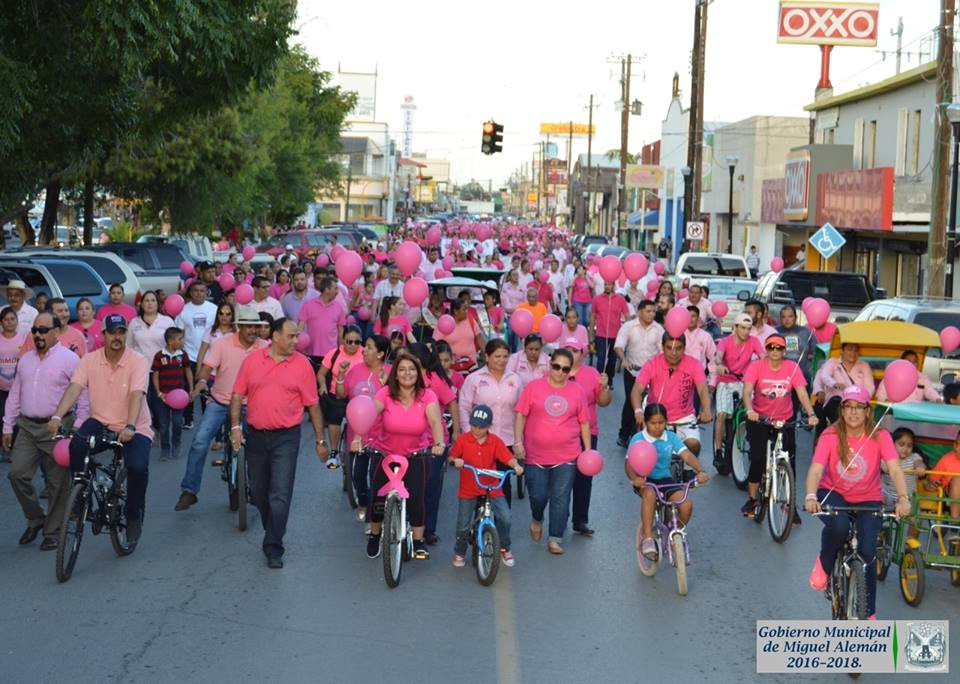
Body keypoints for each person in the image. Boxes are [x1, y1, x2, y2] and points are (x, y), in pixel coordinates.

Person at [804, 385, 911, 620]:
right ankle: (824, 562)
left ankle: (868, 612)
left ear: (867, 411)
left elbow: (894, 468)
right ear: (842, 410)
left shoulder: (880, 436)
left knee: (868, 550)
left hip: (869, 499)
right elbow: (815, 469)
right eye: (848, 407)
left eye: (859, 407)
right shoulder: (830, 435)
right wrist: (811, 496)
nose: (853, 412)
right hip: (833, 493)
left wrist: (903, 498)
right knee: (839, 526)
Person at [229, 318, 328, 568]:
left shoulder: (303, 365)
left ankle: (273, 546)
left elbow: (313, 404)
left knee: (280, 493)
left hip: (287, 437)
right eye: (291, 336)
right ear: (275, 336)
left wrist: (319, 440)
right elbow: (238, 394)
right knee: (260, 491)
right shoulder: (252, 361)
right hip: (256, 435)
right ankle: (272, 526)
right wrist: (235, 428)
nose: (296, 341)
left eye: (297, 336)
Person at [48, 313, 154, 544]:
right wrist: (57, 416)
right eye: (112, 332)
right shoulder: (89, 360)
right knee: (77, 444)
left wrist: (130, 425)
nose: (117, 337)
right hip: (100, 421)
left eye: (121, 332)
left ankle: (133, 514)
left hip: (133, 425)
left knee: (137, 467)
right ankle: (78, 497)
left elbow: (137, 395)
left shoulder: (137, 360)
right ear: (103, 335)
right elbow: (74, 389)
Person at [351, 351, 445, 560]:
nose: (407, 373)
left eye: (411, 369)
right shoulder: (385, 393)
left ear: (418, 374)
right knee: (377, 497)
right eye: (402, 369)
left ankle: (419, 541)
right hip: (385, 454)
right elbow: (368, 414)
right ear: (395, 374)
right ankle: (375, 535)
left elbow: (435, 421)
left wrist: (439, 444)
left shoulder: (427, 395)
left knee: (417, 499)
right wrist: (357, 438)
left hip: (416, 455)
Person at [4, 313, 86, 549]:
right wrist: (8, 426)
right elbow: (15, 394)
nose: (38, 335)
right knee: (17, 475)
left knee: (56, 482)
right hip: (28, 427)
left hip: (57, 427)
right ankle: (36, 519)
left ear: (55, 332)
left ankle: (53, 530)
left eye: (43, 330)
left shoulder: (69, 359)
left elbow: (82, 393)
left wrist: (80, 422)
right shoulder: (26, 360)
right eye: (35, 331)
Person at [175, 307, 269, 510]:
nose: (253, 330)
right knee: (200, 441)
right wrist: (201, 382)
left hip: (250, 405)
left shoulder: (264, 347)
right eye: (249, 326)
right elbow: (207, 369)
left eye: (256, 326)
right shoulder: (222, 344)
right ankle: (190, 491)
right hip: (220, 402)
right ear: (239, 327)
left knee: (258, 445)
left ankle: (254, 488)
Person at [514, 348, 591, 555]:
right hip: (535, 455)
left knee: (561, 497)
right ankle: (537, 518)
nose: (560, 372)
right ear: (550, 365)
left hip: (567, 455)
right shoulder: (533, 387)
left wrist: (588, 451)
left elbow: (584, 422)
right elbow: (521, 414)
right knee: (538, 496)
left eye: (565, 369)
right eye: (557, 367)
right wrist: (517, 442)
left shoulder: (577, 391)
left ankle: (555, 538)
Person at [742, 334, 818, 520]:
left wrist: (811, 414)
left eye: (779, 348)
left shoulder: (792, 368)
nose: (775, 351)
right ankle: (752, 499)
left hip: (785, 419)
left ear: (784, 351)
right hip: (760, 418)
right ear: (766, 350)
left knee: (789, 461)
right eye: (771, 347)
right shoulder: (756, 367)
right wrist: (750, 410)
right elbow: (747, 392)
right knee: (758, 458)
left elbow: (801, 394)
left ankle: (790, 507)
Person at [627, 403, 710, 561]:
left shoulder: (671, 437)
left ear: (666, 421)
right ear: (645, 422)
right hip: (645, 479)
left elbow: (687, 455)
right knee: (650, 495)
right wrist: (634, 478)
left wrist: (701, 470)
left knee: (686, 504)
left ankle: (674, 532)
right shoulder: (638, 439)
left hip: (665, 479)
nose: (657, 427)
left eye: (661, 422)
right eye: (653, 423)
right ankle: (648, 539)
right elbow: (629, 463)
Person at [448, 404, 523, 568]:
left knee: (505, 517)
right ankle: (460, 551)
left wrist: (515, 466)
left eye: (481, 427)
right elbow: (451, 457)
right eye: (474, 425)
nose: (476, 430)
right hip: (469, 488)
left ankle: (504, 547)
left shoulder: (495, 441)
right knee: (463, 525)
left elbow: (507, 457)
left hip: (492, 486)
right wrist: (456, 461)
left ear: (489, 426)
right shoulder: (463, 440)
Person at [458, 338, 522, 504]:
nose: (501, 360)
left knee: (502, 487)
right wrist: (468, 433)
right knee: (478, 486)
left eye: (505, 356)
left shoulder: (515, 379)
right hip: (479, 441)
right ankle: (477, 525)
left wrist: (519, 441)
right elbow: (464, 408)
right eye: (497, 356)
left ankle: (500, 527)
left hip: (505, 441)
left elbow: (521, 412)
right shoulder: (474, 379)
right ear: (486, 357)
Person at [407, 342, 460, 544]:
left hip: (435, 443)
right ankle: (409, 525)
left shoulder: (434, 379)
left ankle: (428, 530)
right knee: (411, 487)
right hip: (409, 442)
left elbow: (452, 402)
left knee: (431, 487)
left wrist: (456, 430)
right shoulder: (403, 377)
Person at [336, 334, 391, 520]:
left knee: (379, 476)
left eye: (368, 347)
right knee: (357, 474)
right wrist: (342, 376)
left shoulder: (391, 372)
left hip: (382, 435)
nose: (364, 350)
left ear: (380, 353)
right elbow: (341, 395)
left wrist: (387, 384)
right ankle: (363, 500)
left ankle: (376, 512)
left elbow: (398, 400)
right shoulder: (356, 370)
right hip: (357, 433)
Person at [631, 332, 712, 454]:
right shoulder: (652, 364)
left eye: (678, 348)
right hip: (655, 416)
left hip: (684, 418)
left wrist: (706, 410)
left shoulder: (694, 364)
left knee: (694, 445)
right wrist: (638, 411)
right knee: (649, 454)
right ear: (662, 347)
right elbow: (637, 390)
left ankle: (687, 471)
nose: (674, 353)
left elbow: (702, 389)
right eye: (669, 348)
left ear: (684, 348)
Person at [564, 337, 612, 536]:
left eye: (574, 350)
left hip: (588, 432)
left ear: (582, 353)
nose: (570, 354)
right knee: (562, 479)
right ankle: (559, 520)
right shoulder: (557, 373)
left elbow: (603, 402)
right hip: (562, 433)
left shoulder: (592, 374)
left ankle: (580, 520)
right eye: (566, 349)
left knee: (584, 477)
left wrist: (605, 387)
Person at [712, 313, 766, 470]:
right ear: (735, 328)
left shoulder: (754, 341)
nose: (746, 332)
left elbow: (763, 357)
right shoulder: (725, 342)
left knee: (754, 410)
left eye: (749, 329)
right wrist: (720, 366)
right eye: (742, 328)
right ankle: (718, 451)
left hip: (744, 381)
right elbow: (718, 357)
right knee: (722, 413)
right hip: (726, 381)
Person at [614, 299, 664, 447]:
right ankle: (624, 434)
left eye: (654, 311)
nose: (651, 314)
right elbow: (619, 346)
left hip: (652, 372)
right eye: (648, 311)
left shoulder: (659, 329)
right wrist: (624, 359)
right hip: (632, 370)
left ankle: (651, 434)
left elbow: (663, 351)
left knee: (653, 402)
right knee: (631, 402)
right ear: (639, 312)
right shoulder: (629, 327)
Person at [316, 325, 364, 464]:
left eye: (357, 342)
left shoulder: (364, 354)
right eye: (349, 342)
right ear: (343, 340)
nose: (353, 345)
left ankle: (359, 448)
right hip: (335, 394)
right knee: (334, 419)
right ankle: (334, 451)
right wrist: (323, 385)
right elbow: (321, 374)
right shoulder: (334, 353)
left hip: (358, 396)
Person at [175, 282, 217, 430]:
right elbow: (179, 334)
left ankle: (208, 420)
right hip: (189, 355)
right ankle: (188, 419)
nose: (199, 293)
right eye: (196, 291)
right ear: (190, 293)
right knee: (188, 389)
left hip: (210, 356)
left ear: (207, 292)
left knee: (208, 390)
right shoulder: (183, 310)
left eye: (202, 290)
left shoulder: (214, 309)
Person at [812, 342, 875, 434]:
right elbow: (824, 375)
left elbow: (870, 387)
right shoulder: (833, 362)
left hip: (857, 402)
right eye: (850, 350)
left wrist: (863, 399)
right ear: (842, 351)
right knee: (836, 402)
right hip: (835, 402)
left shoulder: (864, 365)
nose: (853, 353)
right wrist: (835, 384)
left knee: (859, 409)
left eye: (855, 351)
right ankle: (842, 433)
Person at [150, 327, 193, 462]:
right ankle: (165, 449)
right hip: (163, 397)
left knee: (177, 422)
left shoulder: (183, 355)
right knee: (163, 424)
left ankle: (176, 444)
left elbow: (188, 371)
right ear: (170, 341)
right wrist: (158, 392)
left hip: (179, 397)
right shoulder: (159, 355)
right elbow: (155, 375)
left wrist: (191, 389)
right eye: (179, 339)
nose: (182, 341)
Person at [299, 276, 348, 367]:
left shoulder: (339, 307)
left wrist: (341, 351)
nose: (338, 291)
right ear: (327, 289)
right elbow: (300, 327)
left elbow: (341, 331)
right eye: (335, 288)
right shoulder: (308, 305)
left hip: (331, 354)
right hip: (310, 352)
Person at [0, 306, 28, 460]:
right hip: (1, 388)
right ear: (1, 322)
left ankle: (16, 448)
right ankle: (4, 448)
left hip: (18, 388)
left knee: (17, 418)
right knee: (2, 416)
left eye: (12, 319)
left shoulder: (23, 339)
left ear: (17, 321)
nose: (9, 322)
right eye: (6, 319)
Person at [590, 281, 629, 380]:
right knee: (601, 359)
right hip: (600, 334)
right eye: (605, 284)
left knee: (612, 360)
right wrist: (591, 334)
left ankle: (609, 380)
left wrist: (627, 334)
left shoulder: (620, 300)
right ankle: (598, 380)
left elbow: (627, 316)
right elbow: (592, 317)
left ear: (613, 286)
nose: (607, 286)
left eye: (609, 284)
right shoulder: (597, 299)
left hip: (616, 335)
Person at [881, 427, 926, 510]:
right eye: (901, 444)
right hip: (888, 496)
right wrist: (886, 465)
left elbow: (919, 463)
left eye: (909, 446)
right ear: (892, 444)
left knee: (913, 512)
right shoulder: (887, 456)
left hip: (908, 497)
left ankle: (913, 521)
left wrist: (920, 467)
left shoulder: (914, 457)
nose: (905, 449)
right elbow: (885, 467)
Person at [432, 298, 483, 368]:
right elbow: (436, 343)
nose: (467, 311)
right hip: (452, 366)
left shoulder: (471, 320)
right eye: (464, 309)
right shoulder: (444, 323)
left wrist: (486, 353)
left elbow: (479, 338)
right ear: (456, 311)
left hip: (471, 365)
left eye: (467, 309)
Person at [876, 350, 942, 402]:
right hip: (894, 410)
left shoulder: (923, 377)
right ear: (901, 362)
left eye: (915, 362)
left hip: (915, 411)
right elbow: (880, 394)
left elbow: (930, 391)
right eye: (909, 361)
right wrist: (888, 403)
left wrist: (937, 399)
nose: (912, 364)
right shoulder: (891, 374)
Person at [776, 304, 816, 383]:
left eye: (790, 316)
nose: (787, 320)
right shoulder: (774, 332)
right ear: (780, 319)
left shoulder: (806, 332)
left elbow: (817, 351)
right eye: (783, 317)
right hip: (780, 375)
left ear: (795, 317)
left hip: (803, 374)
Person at [683, 306, 716, 370]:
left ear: (698, 318)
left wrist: (712, 377)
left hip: (699, 373)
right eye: (688, 316)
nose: (690, 319)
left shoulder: (706, 336)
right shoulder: (679, 333)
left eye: (693, 316)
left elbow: (713, 357)